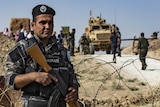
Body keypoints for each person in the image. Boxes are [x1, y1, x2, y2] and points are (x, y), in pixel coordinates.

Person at [5, 4, 79, 107]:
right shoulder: (22, 49)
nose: (47, 26)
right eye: (43, 22)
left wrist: (74, 89)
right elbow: (10, 80)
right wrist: (33, 77)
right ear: (33, 25)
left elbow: (71, 75)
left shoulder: (61, 50)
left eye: (50, 23)